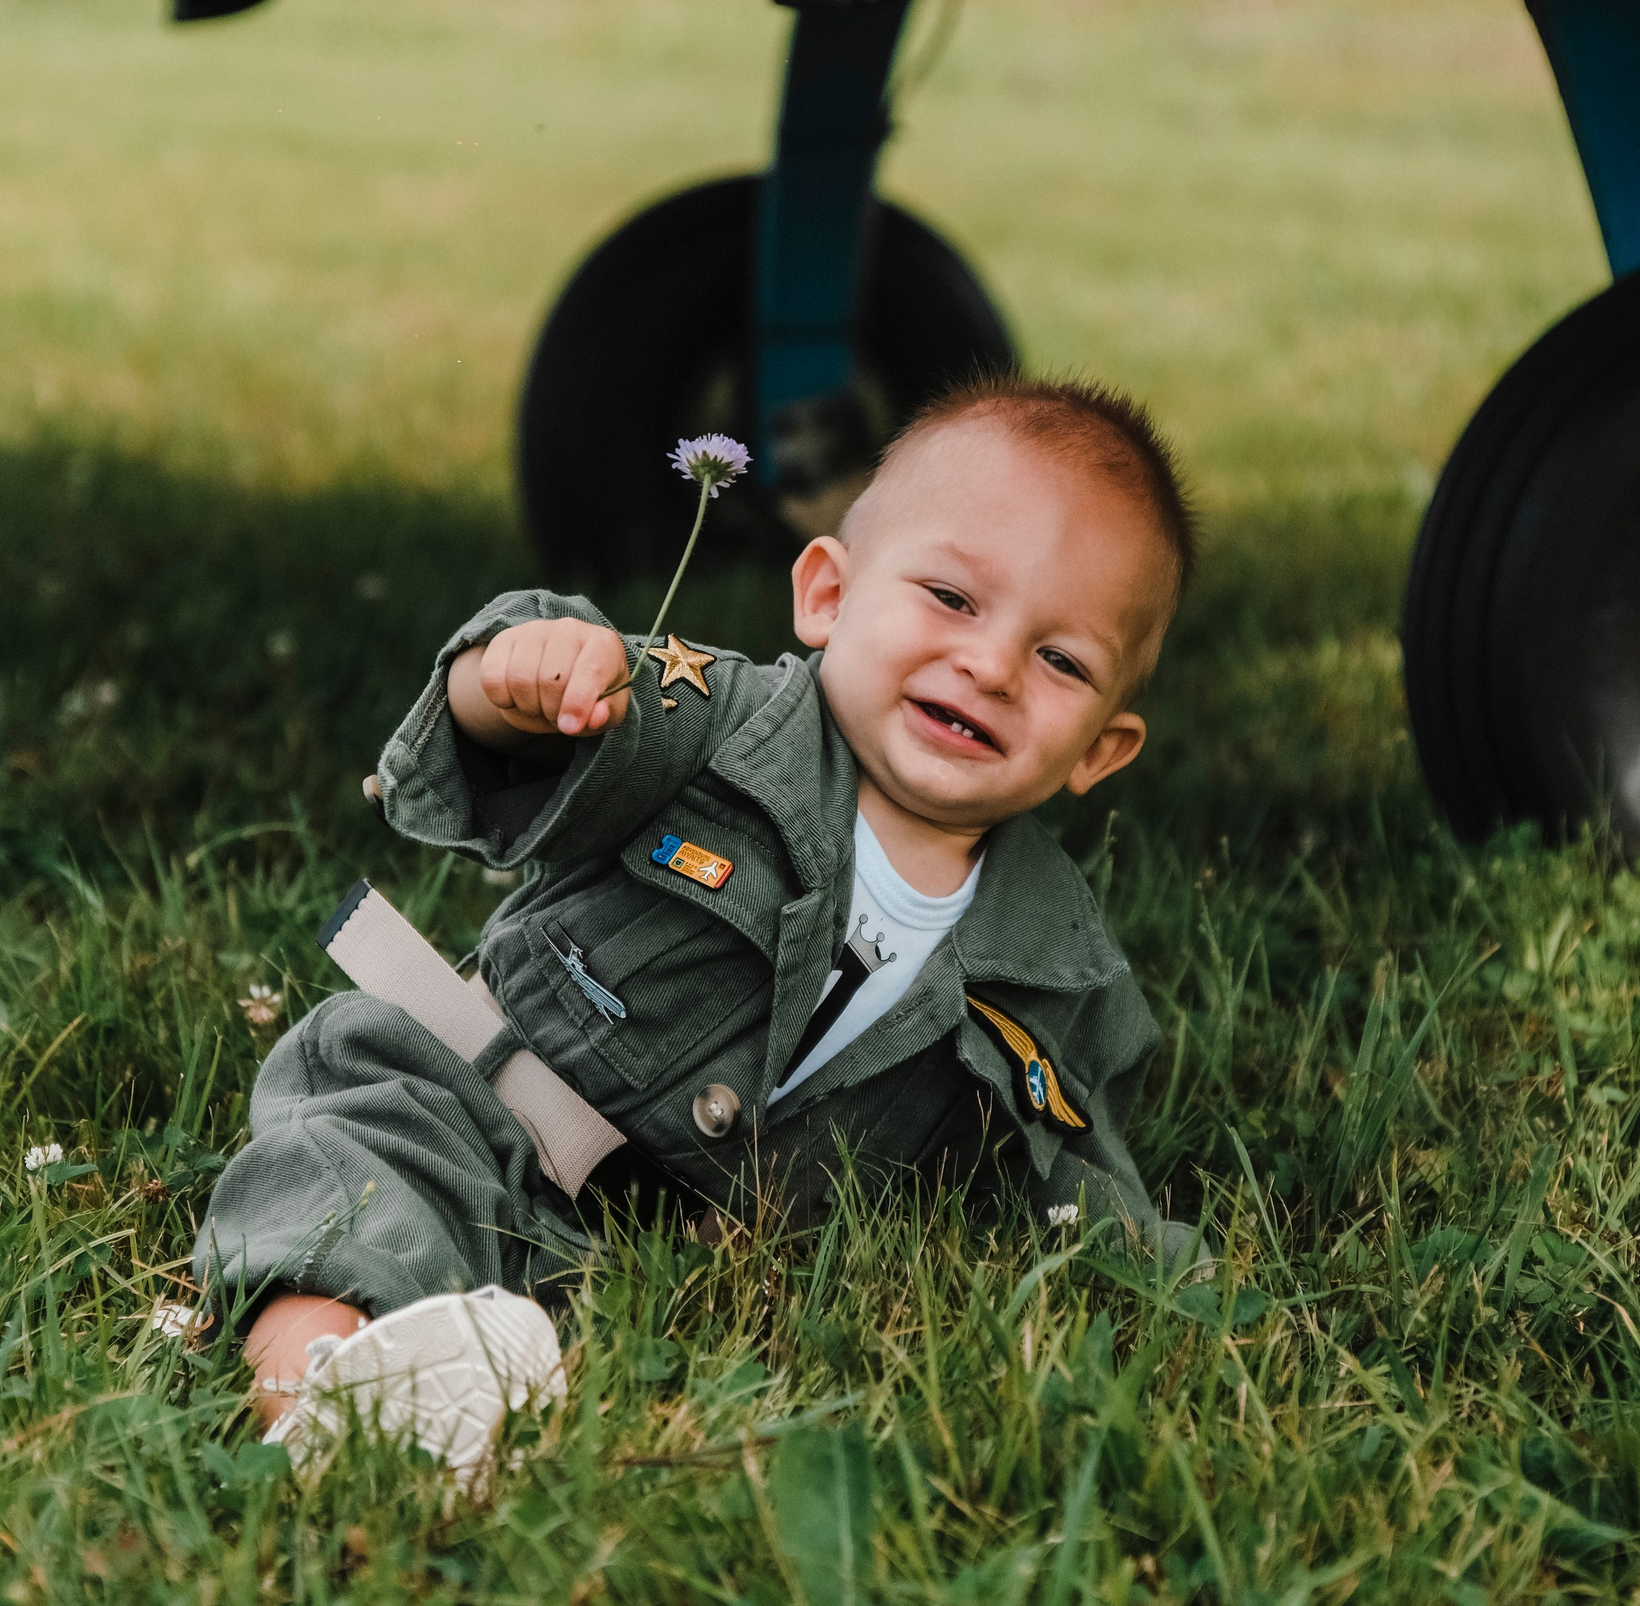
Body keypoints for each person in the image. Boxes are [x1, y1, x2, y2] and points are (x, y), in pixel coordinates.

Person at [193, 375, 1205, 1453]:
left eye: (1061, 660)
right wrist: (514, 676)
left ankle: (476, 1384)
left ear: (1101, 747)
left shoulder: (1060, 969)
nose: (992, 665)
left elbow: (1079, 1178)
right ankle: (320, 1394)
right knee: (349, 1169)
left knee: (570, 1313)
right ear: (827, 595)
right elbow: (538, 725)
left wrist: (1168, 1296)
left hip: (666, 1254)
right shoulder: (719, 721)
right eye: (952, 599)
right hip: (483, 1101)